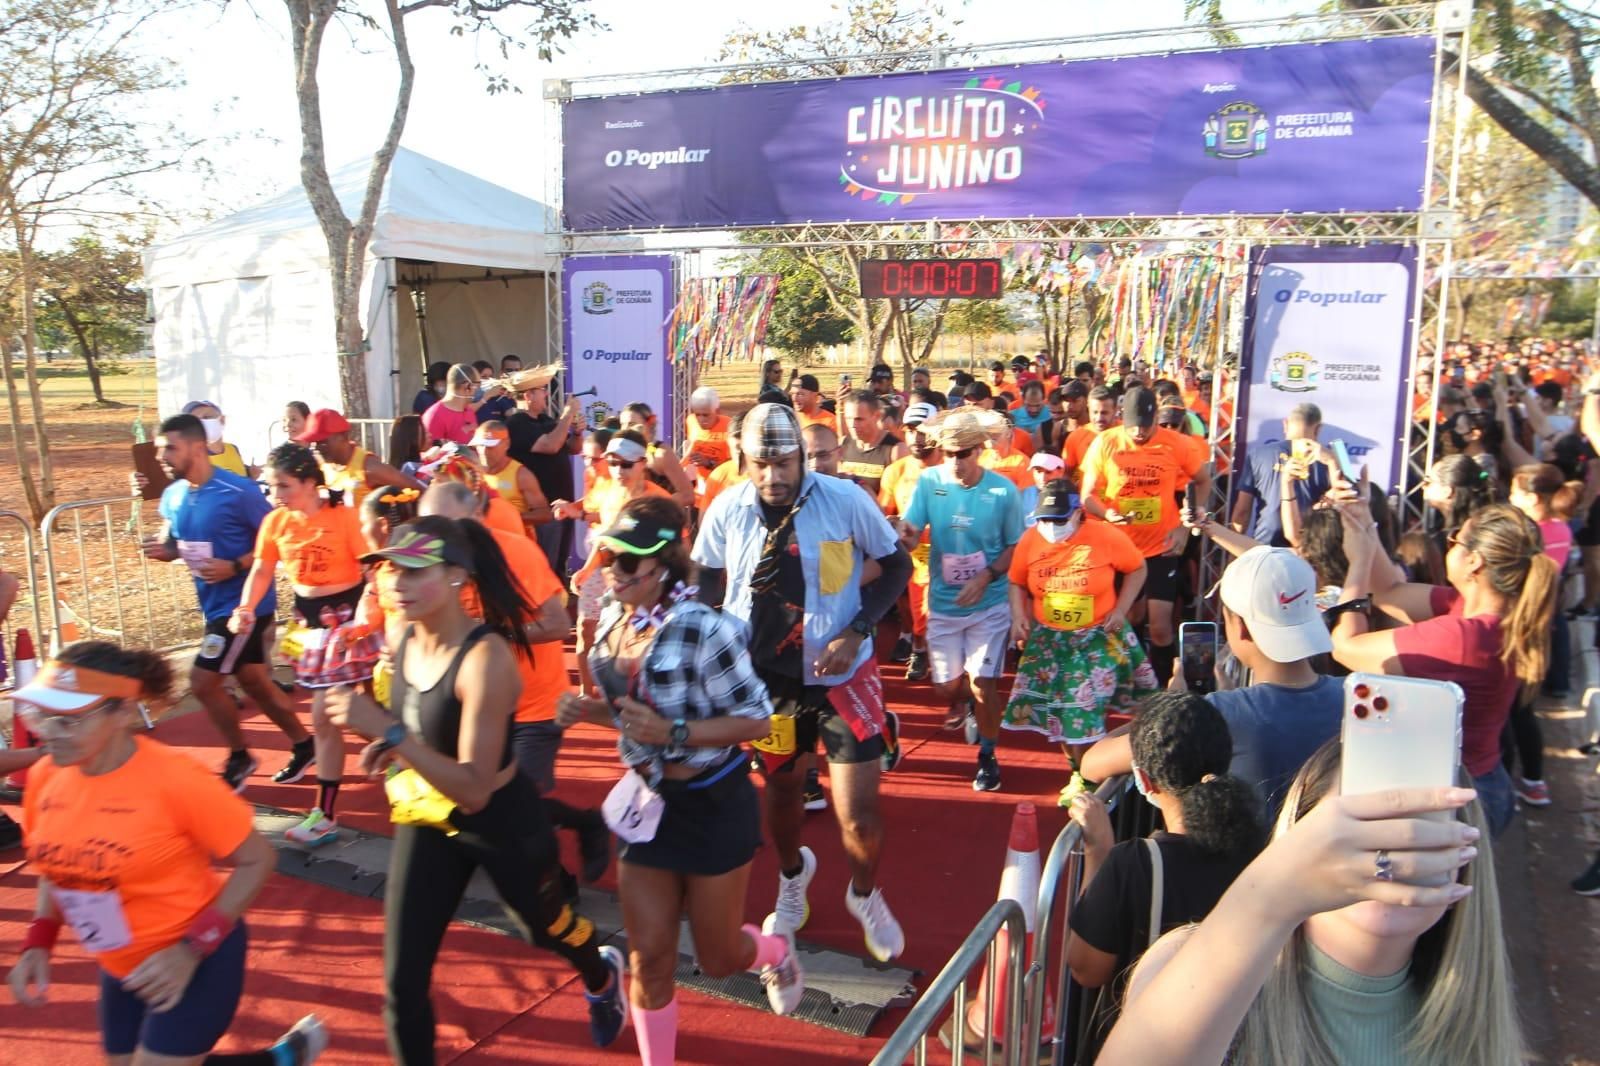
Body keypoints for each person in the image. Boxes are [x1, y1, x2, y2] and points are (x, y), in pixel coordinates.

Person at [324, 517, 626, 1062]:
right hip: (427, 820)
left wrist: (388, 732)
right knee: (401, 983)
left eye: (415, 570)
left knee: (545, 931)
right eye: (391, 568)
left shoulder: (486, 659)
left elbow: (475, 790)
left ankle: (602, 974)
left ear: (459, 576)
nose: (396, 583)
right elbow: (421, 724)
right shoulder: (405, 635)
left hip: (500, 823)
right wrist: (392, 744)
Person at [558, 497, 803, 1061]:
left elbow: (759, 719)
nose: (611, 570)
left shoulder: (704, 629)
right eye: (608, 555)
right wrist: (585, 711)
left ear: (661, 565)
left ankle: (771, 950)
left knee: (718, 960)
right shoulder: (612, 631)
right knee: (649, 960)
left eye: (624, 561)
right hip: (648, 808)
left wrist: (674, 733)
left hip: (713, 805)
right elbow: (629, 713)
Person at [7, 643, 327, 1065]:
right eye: (42, 716)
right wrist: (39, 940)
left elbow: (258, 860)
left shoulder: (177, 780)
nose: (49, 732)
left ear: (122, 713)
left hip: (195, 957)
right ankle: (277, 1060)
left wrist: (190, 950)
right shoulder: (47, 776)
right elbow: (55, 863)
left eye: (71, 720)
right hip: (120, 963)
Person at [1099, 743, 1517, 1066]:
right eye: (1362, 823)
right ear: (1300, 839)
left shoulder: (1475, 1035)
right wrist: (1268, 897)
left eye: (1423, 832)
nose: (1390, 848)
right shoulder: (1188, 965)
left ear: (1464, 862)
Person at [693, 403, 913, 961]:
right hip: (765, 682)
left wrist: (857, 628)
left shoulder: (845, 500)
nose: (773, 476)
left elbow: (896, 567)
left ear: (801, 456)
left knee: (858, 813)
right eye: (761, 463)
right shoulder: (726, 509)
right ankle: (793, 879)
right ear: (744, 459)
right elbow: (704, 583)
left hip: (844, 672)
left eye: (784, 461)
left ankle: (865, 893)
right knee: (783, 795)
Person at [419, 481, 609, 885]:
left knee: (517, 807)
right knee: (489, 803)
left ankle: (556, 880)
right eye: (429, 527)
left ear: (474, 519)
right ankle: (579, 828)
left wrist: (487, 634)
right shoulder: (429, 563)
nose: (437, 539)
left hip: (534, 706)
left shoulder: (516, 552)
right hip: (473, 706)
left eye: (445, 527)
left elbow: (557, 625)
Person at [1330, 500, 1556, 836]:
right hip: (1481, 780)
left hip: (1455, 796)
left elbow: (1345, 647)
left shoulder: (1464, 636)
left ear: (1474, 561)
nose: (1448, 546)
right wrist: (1365, 526)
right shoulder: (1484, 613)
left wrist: (1359, 561)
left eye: (1455, 541)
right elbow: (1389, 591)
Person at [1065, 692, 1264, 1057]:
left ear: (1145, 780)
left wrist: (1098, 852)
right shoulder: (1265, 851)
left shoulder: (1134, 863)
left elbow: (1085, 968)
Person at [1084, 547, 1341, 818]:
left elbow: (1093, 762)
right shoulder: (1354, 696)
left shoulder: (1219, 712)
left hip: (1246, 860)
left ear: (1239, 626)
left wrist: (1168, 712)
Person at [140, 414, 313, 791]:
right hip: (212, 605)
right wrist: (164, 550)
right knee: (256, 683)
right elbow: (177, 543)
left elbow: (276, 544)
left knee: (202, 683)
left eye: (170, 448)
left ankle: (239, 756)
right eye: (159, 450)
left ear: (198, 447)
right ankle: (305, 742)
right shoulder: (172, 496)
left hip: (243, 608)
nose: (162, 457)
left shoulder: (239, 492)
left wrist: (234, 565)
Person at [232, 443, 378, 847]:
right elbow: (262, 568)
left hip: (348, 622)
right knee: (349, 713)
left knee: (326, 716)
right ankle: (401, 752)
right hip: (307, 625)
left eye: (284, 485)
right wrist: (245, 607)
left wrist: (373, 614)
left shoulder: (345, 518)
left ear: (311, 483)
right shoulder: (276, 522)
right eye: (272, 486)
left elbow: (373, 570)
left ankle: (325, 814)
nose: (276, 494)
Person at [898, 408, 1025, 791]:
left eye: (964, 453)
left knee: (983, 682)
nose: (956, 461)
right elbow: (913, 532)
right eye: (950, 453)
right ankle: (963, 701)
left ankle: (987, 756)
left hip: (990, 604)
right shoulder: (928, 482)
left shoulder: (1004, 491)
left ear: (980, 451)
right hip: (943, 604)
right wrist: (902, 534)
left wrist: (986, 576)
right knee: (946, 688)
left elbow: (1015, 547)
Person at [1005, 479, 1154, 797]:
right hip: (1052, 641)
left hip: (1099, 636)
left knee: (1085, 711)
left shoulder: (1105, 536)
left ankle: (1102, 772)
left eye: (1059, 520)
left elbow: (1137, 568)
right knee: (1065, 714)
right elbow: (1016, 581)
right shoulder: (1030, 540)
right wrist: (1019, 616)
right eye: (1045, 519)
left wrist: (1121, 609)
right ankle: (1080, 773)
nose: (1051, 526)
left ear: (1077, 514)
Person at [1080, 386, 1210, 686]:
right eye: (1132, 425)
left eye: (1146, 425)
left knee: (1161, 627)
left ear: (1155, 418)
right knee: (1128, 619)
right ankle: (1130, 681)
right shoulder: (1106, 442)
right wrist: (1106, 513)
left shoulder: (1177, 443)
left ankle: (1162, 690)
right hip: (1118, 548)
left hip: (1160, 547)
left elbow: (1203, 480)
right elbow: (1087, 495)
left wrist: (1184, 524)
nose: (1138, 432)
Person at [554, 430, 672, 696]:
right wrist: (587, 569)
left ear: (642, 463)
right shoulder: (608, 493)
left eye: (626, 464)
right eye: (613, 463)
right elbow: (605, 537)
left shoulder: (659, 502)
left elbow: (679, 547)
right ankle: (598, 696)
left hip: (648, 587)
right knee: (600, 638)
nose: (619, 470)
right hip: (612, 580)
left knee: (642, 649)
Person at [1503, 463, 1580, 806]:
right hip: (1540, 630)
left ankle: (1506, 788)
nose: (1509, 498)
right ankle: (1533, 781)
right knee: (1523, 711)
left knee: (1505, 716)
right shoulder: (1562, 528)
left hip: (1517, 630)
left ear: (1532, 498)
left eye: (1514, 493)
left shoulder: (1529, 535)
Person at [879, 401, 941, 683]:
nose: (916, 437)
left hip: (947, 554)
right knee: (913, 609)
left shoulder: (951, 468)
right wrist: (896, 524)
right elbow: (883, 514)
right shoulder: (896, 471)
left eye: (923, 430)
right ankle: (918, 647)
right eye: (911, 430)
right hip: (910, 557)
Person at [504, 363, 584, 578]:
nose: (546, 394)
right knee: (543, 568)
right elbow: (550, 445)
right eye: (541, 391)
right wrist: (567, 415)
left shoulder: (546, 421)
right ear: (528, 395)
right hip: (541, 510)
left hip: (561, 505)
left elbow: (573, 448)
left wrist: (577, 433)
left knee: (557, 564)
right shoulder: (516, 423)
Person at [1231, 404, 1330, 547]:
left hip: (1265, 546)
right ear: (1318, 429)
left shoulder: (1258, 455)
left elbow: (1242, 511)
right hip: (1308, 548)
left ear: (1285, 424)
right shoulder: (1328, 460)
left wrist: (1233, 555)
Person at [295, 408, 423, 509]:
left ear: (343, 437)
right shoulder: (322, 466)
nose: (316, 448)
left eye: (321, 442)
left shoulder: (369, 467)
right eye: (312, 442)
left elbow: (420, 490)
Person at [470, 420, 551, 535]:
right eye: (480, 445)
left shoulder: (521, 475)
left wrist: (507, 518)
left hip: (515, 544)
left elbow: (545, 514)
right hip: (486, 544)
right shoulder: (473, 472)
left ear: (506, 444)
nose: (483, 451)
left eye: (490, 446)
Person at [620, 402, 695, 508]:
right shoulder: (619, 455)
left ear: (648, 424)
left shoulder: (661, 453)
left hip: (662, 520)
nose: (625, 429)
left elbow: (687, 495)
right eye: (622, 424)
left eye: (631, 424)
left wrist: (651, 510)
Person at [838, 390, 907, 497]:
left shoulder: (896, 450)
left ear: (877, 416)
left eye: (859, 419)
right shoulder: (843, 444)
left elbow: (903, 497)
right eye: (848, 418)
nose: (852, 425)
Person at [681, 386, 731, 508]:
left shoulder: (730, 426)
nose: (701, 419)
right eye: (697, 414)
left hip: (723, 493)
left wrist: (709, 463)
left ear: (717, 411)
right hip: (700, 493)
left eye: (706, 415)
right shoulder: (690, 421)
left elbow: (735, 466)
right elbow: (691, 446)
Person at [181, 400, 256, 479]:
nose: (201, 423)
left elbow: (240, 478)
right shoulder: (190, 459)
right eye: (195, 421)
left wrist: (251, 475)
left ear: (222, 420)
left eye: (206, 417)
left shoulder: (232, 449)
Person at [1063, 385, 1118, 482]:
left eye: (1104, 413)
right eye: (1095, 412)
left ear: (1115, 410)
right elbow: (1065, 474)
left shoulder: (1128, 434)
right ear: (1088, 408)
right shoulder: (1076, 437)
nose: (1099, 418)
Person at [420, 363, 481, 446]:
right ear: (468, 386)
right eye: (477, 385)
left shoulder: (469, 411)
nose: (479, 390)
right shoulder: (435, 415)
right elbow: (430, 455)